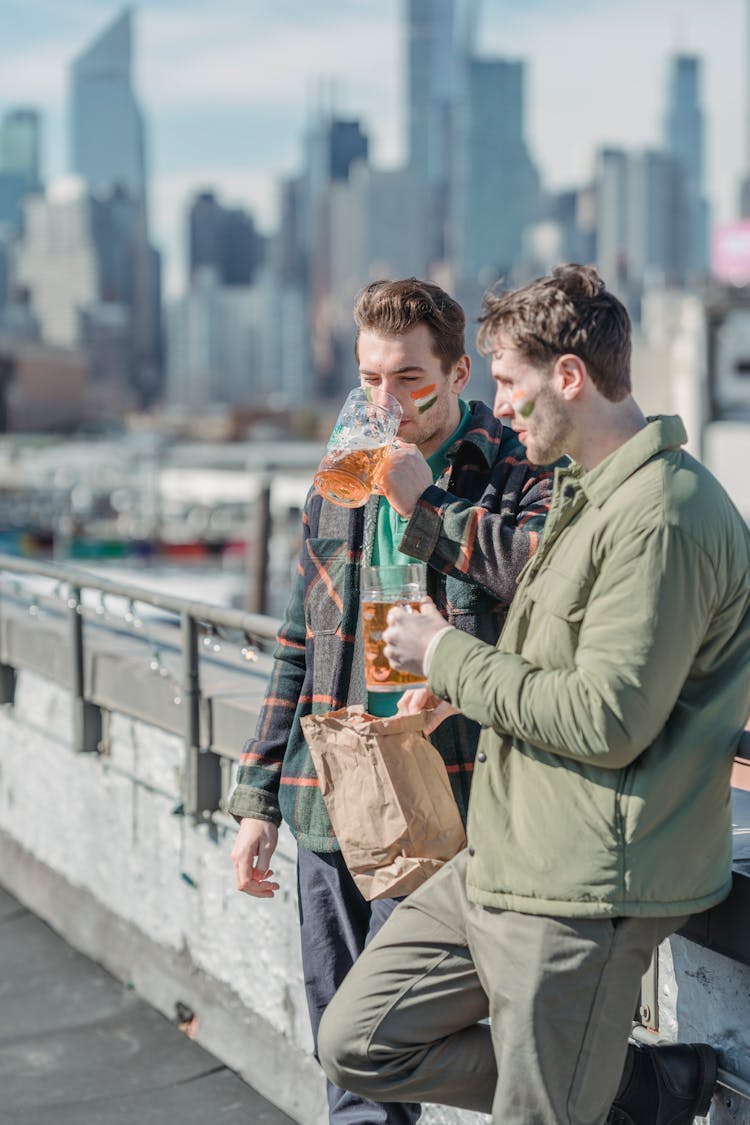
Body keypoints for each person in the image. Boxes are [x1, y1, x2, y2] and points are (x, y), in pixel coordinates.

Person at [317, 264, 750, 1125]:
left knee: (539, 1112)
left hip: (584, 884)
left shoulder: (664, 515)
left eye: (510, 382)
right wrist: (463, 695)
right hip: (505, 852)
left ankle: (580, 1085)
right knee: (358, 1040)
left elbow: (606, 717)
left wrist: (446, 658)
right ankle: (633, 1086)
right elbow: (552, 659)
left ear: (570, 376)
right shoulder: (588, 498)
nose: (503, 407)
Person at [228, 277, 557, 1124]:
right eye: (371, 378)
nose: (387, 401)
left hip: (446, 792)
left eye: (410, 378)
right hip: (329, 789)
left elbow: (533, 580)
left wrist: (425, 500)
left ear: (457, 374)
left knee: (383, 1041)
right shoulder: (337, 478)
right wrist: (257, 795)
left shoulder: (516, 471)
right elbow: (301, 637)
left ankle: (622, 1085)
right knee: (337, 1044)